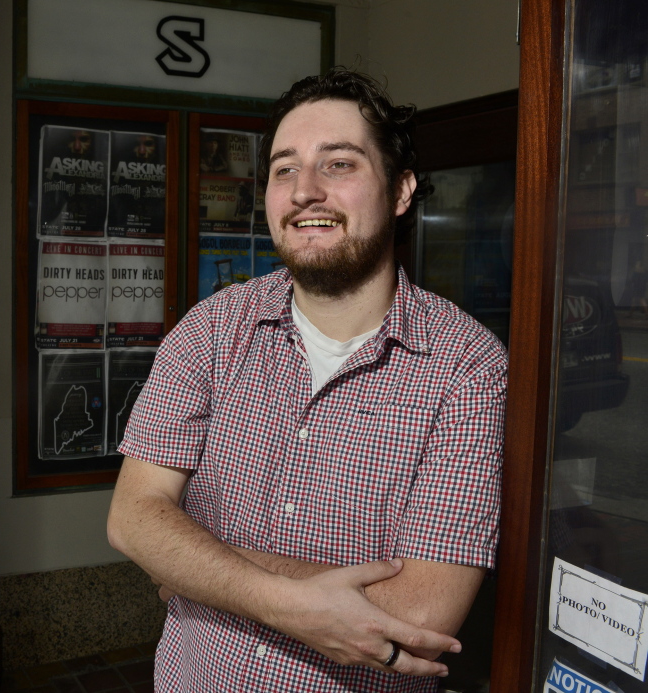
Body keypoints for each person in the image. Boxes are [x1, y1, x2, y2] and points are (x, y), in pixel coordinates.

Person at [107, 67, 508, 693]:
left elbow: (420, 616)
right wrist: (295, 600)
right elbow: (133, 517)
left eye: (339, 164)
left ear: (402, 191)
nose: (304, 191)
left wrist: (201, 564)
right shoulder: (213, 328)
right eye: (284, 169)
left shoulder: (468, 367)